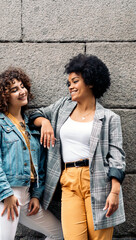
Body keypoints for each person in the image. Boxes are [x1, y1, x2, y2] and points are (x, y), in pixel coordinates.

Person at [29, 54, 126, 240]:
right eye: (69, 83)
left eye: (75, 81)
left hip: (99, 183)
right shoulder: (62, 106)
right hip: (69, 183)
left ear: (90, 82)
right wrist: (45, 123)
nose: (70, 86)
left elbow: (117, 157)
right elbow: (35, 115)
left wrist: (114, 192)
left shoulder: (109, 117)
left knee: (99, 238)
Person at [0, 68, 63, 240]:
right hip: (2, 195)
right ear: (3, 97)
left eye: (22, 86)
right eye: (14, 90)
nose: (22, 91)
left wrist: (35, 195)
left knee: (59, 233)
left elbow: (39, 166)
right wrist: (7, 195)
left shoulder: (31, 126)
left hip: (26, 197)